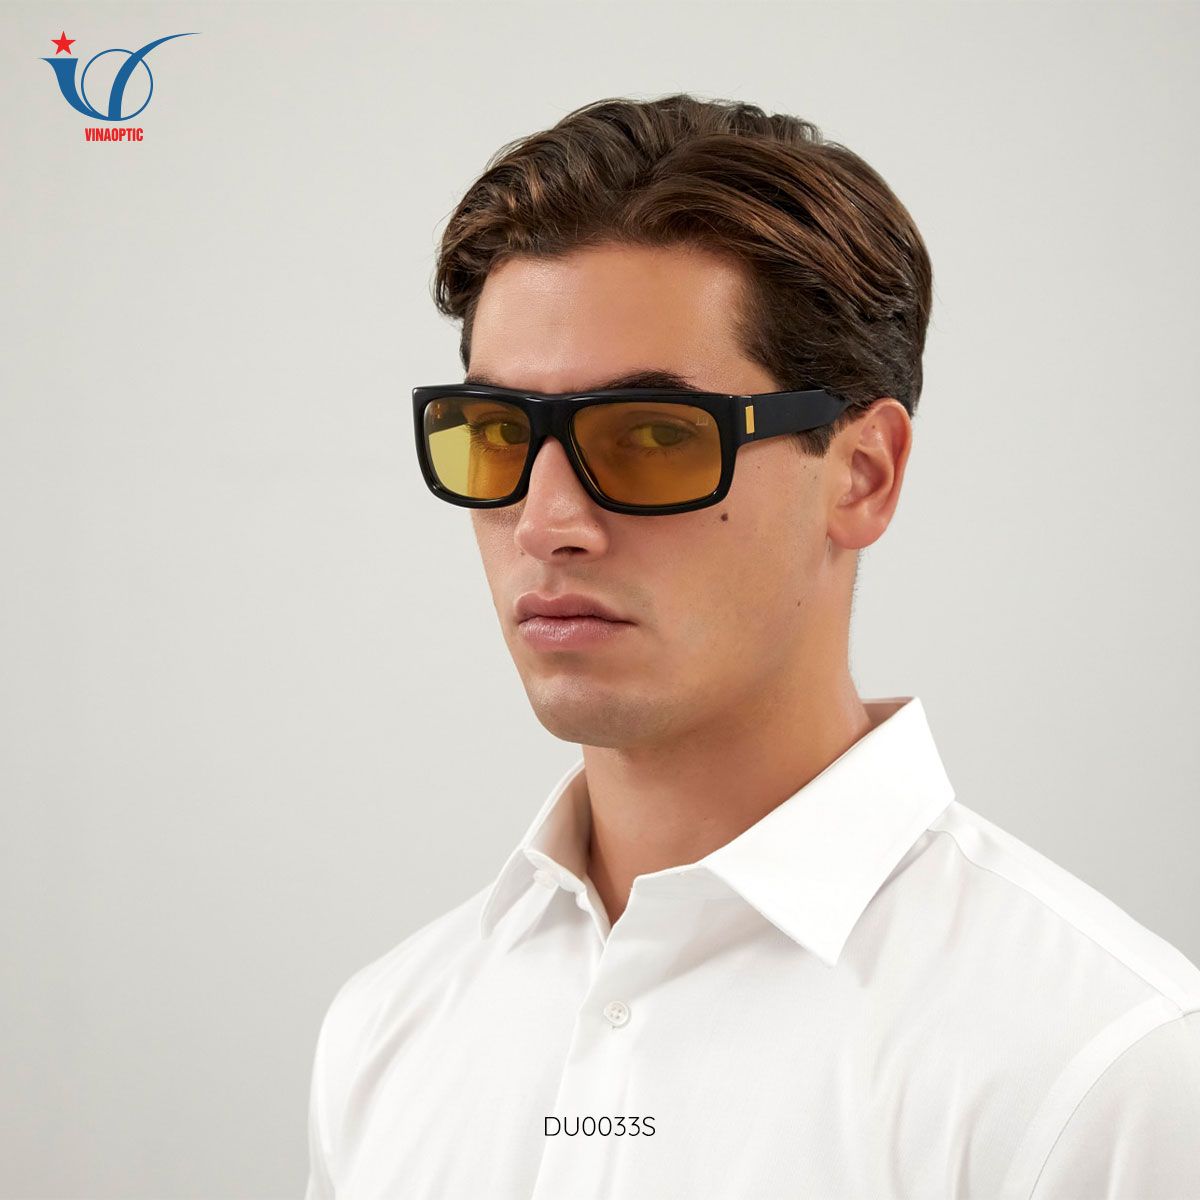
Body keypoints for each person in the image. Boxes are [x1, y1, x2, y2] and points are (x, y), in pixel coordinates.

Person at [304, 93, 1200, 1199]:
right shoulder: (385, 1037)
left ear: (862, 475)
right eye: (496, 433)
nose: (545, 523)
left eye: (651, 436)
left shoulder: (1098, 1074)